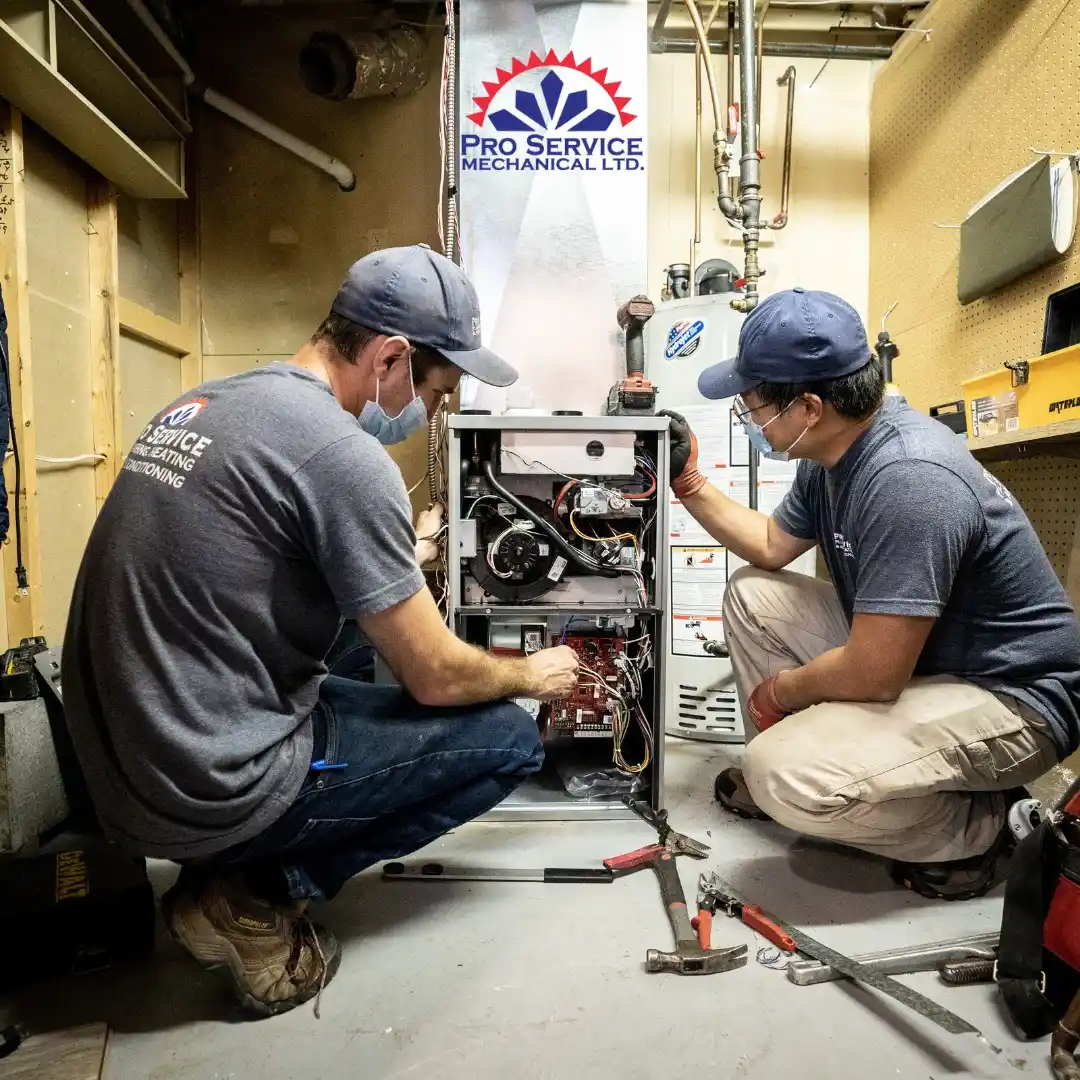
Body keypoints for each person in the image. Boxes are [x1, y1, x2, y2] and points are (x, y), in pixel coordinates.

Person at [61, 245, 580, 1017]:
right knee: (507, 740)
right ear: (390, 356)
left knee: (351, 637)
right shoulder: (345, 454)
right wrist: (532, 673)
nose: (431, 412)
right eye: (435, 389)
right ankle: (253, 898)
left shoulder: (210, 403)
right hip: (206, 784)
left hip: (124, 769)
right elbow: (435, 677)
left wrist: (419, 549)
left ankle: (234, 862)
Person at [663, 287, 1080, 901]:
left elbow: (874, 671)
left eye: (751, 404)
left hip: (1013, 696)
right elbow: (775, 543)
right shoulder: (831, 453)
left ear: (807, 406)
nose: (747, 416)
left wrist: (780, 692)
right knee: (755, 593)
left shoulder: (909, 476)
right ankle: (833, 764)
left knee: (784, 773)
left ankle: (976, 826)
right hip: (929, 659)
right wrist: (688, 479)